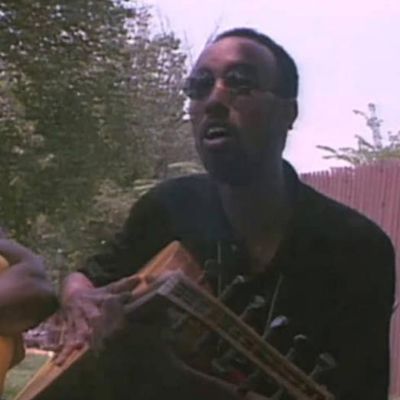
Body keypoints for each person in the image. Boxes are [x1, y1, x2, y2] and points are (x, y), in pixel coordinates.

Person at [57, 28, 395, 400]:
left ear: (288, 112)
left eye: (240, 82)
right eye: (199, 86)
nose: (214, 98)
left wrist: (172, 380)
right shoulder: (167, 208)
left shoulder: (357, 249)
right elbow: (88, 277)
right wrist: (78, 299)